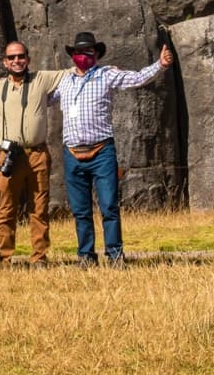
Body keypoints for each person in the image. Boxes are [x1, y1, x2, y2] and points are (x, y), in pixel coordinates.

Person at [49, 31, 174, 268]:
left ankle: (115, 255)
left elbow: (136, 78)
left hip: (101, 151)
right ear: (72, 55)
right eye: (79, 52)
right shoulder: (64, 81)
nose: (83, 56)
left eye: (88, 52)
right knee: (80, 210)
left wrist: (160, 65)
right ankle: (86, 256)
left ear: (96, 54)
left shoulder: (107, 75)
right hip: (72, 153)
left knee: (108, 206)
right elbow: (42, 99)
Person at [0, 41, 68, 269]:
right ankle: (4, 258)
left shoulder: (42, 79)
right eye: (12, 57)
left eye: (21, 56)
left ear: (28, 58)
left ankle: (39, 257)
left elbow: (73, 72)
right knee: (6, 208)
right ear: (5, 62)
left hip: (37, 153)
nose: (17, 61)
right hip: (9, 156)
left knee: (39, 207)